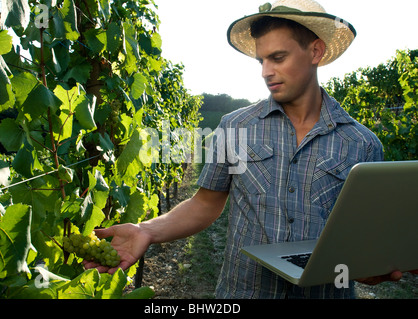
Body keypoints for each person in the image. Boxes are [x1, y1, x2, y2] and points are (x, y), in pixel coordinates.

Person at [84, 0, 415, 298]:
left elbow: (362, 241)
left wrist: (372, 266)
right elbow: (205, 204)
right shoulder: (235, 126)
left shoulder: (363, 144)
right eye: (261, 60)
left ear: (315, 52)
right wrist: (146, 230)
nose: (265, 71)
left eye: (278, 57)